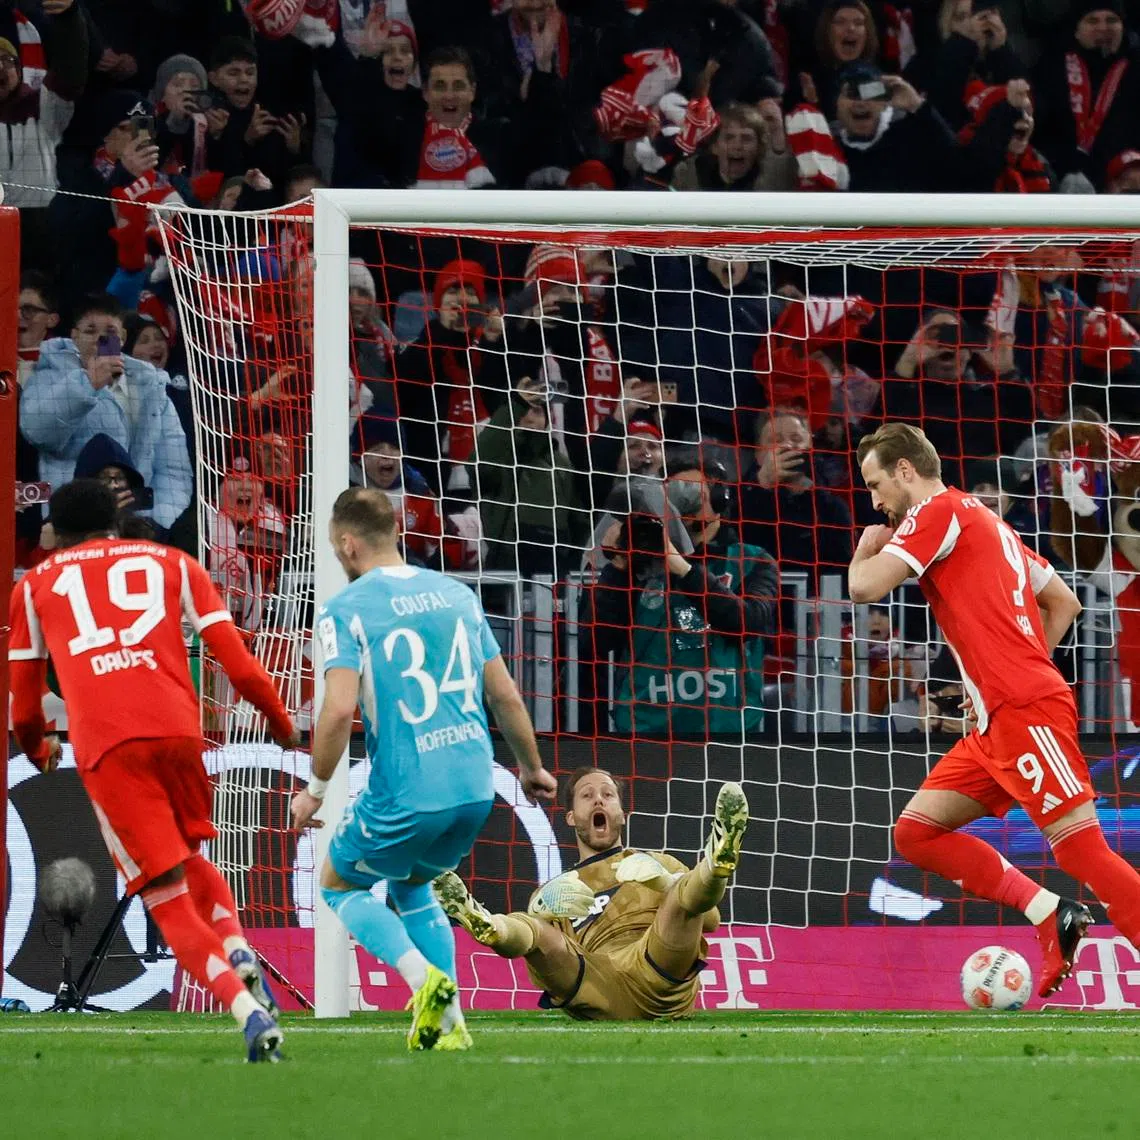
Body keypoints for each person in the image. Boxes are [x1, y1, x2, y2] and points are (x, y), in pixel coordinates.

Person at [7, 480, 299, 1061]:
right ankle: (239, 951)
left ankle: (248, 1012)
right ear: (114, 522)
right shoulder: (174, 562)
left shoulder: (36, 584)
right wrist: (280, 721)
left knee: (165, 897)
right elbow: (236, 658)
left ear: (55, 532)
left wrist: (39, 751)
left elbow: (24, 701)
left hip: (111, 749)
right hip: (180, 731)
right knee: (190, 857)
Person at [849, 421, 1140, 997]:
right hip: (996, 719)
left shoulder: (932, 513)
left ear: (907, 471)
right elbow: (1064, 601)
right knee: (917, 835)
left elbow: (864, 589)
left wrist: (863, 550)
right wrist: (1005, 671)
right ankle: (1048, 911)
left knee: (1083, 849)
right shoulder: (985, 520)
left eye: (876, 483)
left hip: (1024, 709)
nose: (875, 499)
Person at [288, 488, 557, 1050]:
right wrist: (532, 768)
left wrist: (314, 789)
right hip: (475, 787)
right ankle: (452, 1026)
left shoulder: (346, 610)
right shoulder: (456, 594)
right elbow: (504, 694)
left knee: (338, 885)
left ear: (346, 542)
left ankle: (421, 979)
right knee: (413, 883)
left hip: (410, 790)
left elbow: (337, 709)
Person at [434, 768, 749, 1022]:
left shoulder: (658, 862)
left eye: (608, 795)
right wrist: (539, 909)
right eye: (587, 795)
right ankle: (489, 925)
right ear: (571, 817)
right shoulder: (558, 891)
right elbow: (548, 952)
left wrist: (665, 883)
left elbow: (710, 920)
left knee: (682, 894)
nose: (599, 801)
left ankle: (716, 864)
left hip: (657, 969)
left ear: (622, 813)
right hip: (595, 982)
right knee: (534, 928)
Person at [580, 447, 777, 739]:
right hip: (646, 728)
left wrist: (683, 568)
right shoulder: (639, 565)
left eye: (691, 492)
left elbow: (747, 622)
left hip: (727, 730)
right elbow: (593, 640)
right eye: (671, 495)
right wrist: (618, 568)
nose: (680, 504)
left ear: (720, 500)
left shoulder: (752, 560)